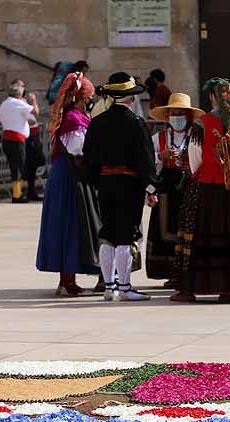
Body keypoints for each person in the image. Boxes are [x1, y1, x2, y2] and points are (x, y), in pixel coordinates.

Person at [173, 78, 230, 303]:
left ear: (213, 97)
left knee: (205, 236)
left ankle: (199, 285)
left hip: (207, 187)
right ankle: (229, 289)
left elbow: (195, 161)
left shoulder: (201, 124)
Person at [84, 73, 159, 302]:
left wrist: (98, 182)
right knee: (126, 235)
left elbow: (89, 158)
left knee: (107, 233)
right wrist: (150, 188)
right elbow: (146, 158)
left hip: (106, 183)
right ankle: (125, 287)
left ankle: (109, 286)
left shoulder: (97, 122)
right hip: (129, 185)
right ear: (128, 97)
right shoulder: (136, 123)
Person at [36, 72, 102, 296]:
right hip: (69, 177)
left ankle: (67, 280)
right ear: (81, 98)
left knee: (68, 225)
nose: (91, 101)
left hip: (67, 174)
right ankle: (68, 282)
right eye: (89, 97)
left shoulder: (75, 117)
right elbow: (78, 149)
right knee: (69, 225)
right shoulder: (73, 118)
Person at [147, 92, 203, 287]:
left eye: (180, 113)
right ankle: (171, 272)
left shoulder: (196, 136)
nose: (176, 117)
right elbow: (149, 164)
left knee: (190, 229)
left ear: (187, 116)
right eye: (173, 113)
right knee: (166, 230)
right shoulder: (158, 137)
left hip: (189, 186)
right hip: (167, 187)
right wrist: (160, 156)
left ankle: (189, 271)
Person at [0, 79, 40, 203]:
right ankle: (17, 195)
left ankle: (18, 193)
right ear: (19, 94)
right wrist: (33, 101)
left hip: (7, 138)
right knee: (18, 168)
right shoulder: (18, 103)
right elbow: (35, 112)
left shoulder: (4, 104)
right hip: (17, 139)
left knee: (14, 167)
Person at [25, 116, 45, 202]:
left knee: (34, 166)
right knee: (29, 166)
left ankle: (31, 191)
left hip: (34, 136)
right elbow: (32, 119)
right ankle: (24, 193)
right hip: (28, 137)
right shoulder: (23, 105)